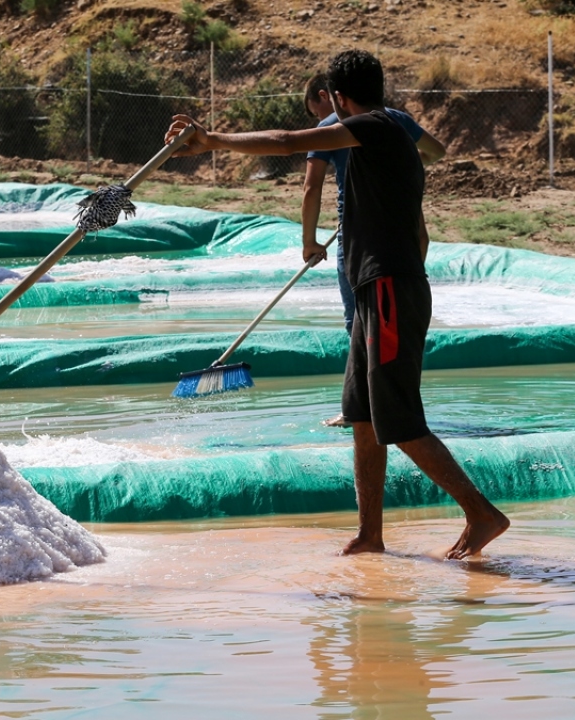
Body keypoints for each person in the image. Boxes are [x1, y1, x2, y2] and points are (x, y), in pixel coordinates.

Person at [163, 50, 508, 560]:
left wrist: (211, 139)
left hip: (389, 289)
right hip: (380, 288)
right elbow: (419, 228)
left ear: (339, 98)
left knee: (400, 420)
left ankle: (482, 513)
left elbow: (286, 142)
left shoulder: (375, 127)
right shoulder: (391, 135)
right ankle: (371, 534)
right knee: (363, 418)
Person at [301, 72, 447, 427]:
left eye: (315, 109)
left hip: (359, 237)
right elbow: (436, 150)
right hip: (401, 226)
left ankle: (363, 410)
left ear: (332, 96)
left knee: (359, 322)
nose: (319, 116)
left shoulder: (331, 127)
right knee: (396, 314)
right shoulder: (394, 119)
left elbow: (311, 187)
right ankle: (382, 403)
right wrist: (401, 168)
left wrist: (309, 242)